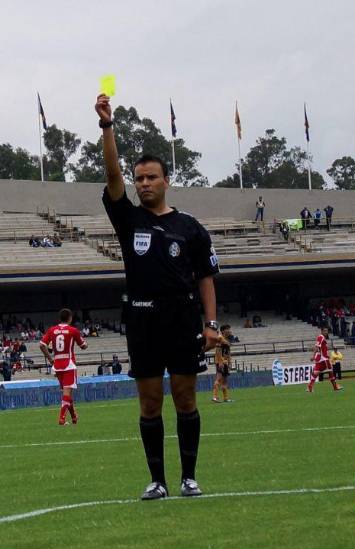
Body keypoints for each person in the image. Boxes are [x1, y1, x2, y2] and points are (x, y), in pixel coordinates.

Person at [96, 93, 220, 501]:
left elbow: (205, 276)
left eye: (152, 177)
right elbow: (112, 174)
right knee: (149, 402)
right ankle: (157, 480)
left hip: (182, 320)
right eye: (140, 178)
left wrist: (211, 323)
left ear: (167, 180)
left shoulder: (189, 227)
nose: (144, 183)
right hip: (142, 319)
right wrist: (107, 126)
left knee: (185, 396)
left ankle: (189, 477)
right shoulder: (128, 218)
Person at [39, 308, 88, 425]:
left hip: (58, 365)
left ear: (59, 318)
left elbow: (41, 345)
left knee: (68, 394)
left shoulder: (52, 330)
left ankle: (74, 417)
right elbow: (83, 346)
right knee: (67, 394)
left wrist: (51, 359)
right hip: (69, 365)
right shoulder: (73, 330)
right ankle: (61, 419)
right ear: (70, 318)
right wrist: (86, 343)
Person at [307, 326, 342, 392]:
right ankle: (335, 387)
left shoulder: (321, 337)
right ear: (322, 331)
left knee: (316, 372)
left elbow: (320, 347)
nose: (326, 332)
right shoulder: (321, 337)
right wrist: (313, 356)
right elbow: (316, 347)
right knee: (330, 371)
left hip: (320, 357)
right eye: (325, 331)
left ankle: (310, 385)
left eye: (327, 331)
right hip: (323, 358)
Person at [211, 324, 232, 403]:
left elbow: (228, 353)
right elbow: (218, 350)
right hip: (221, 362)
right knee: (219, 379)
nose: (230, 331)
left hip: (225, 362)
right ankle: (215, 397)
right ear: (223, 331)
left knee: (225, 381)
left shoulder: (226, 340)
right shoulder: (220, 338)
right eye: (228, 329)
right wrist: (220, 362)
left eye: (230, 329)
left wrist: (229, 362)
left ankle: (226, 398)